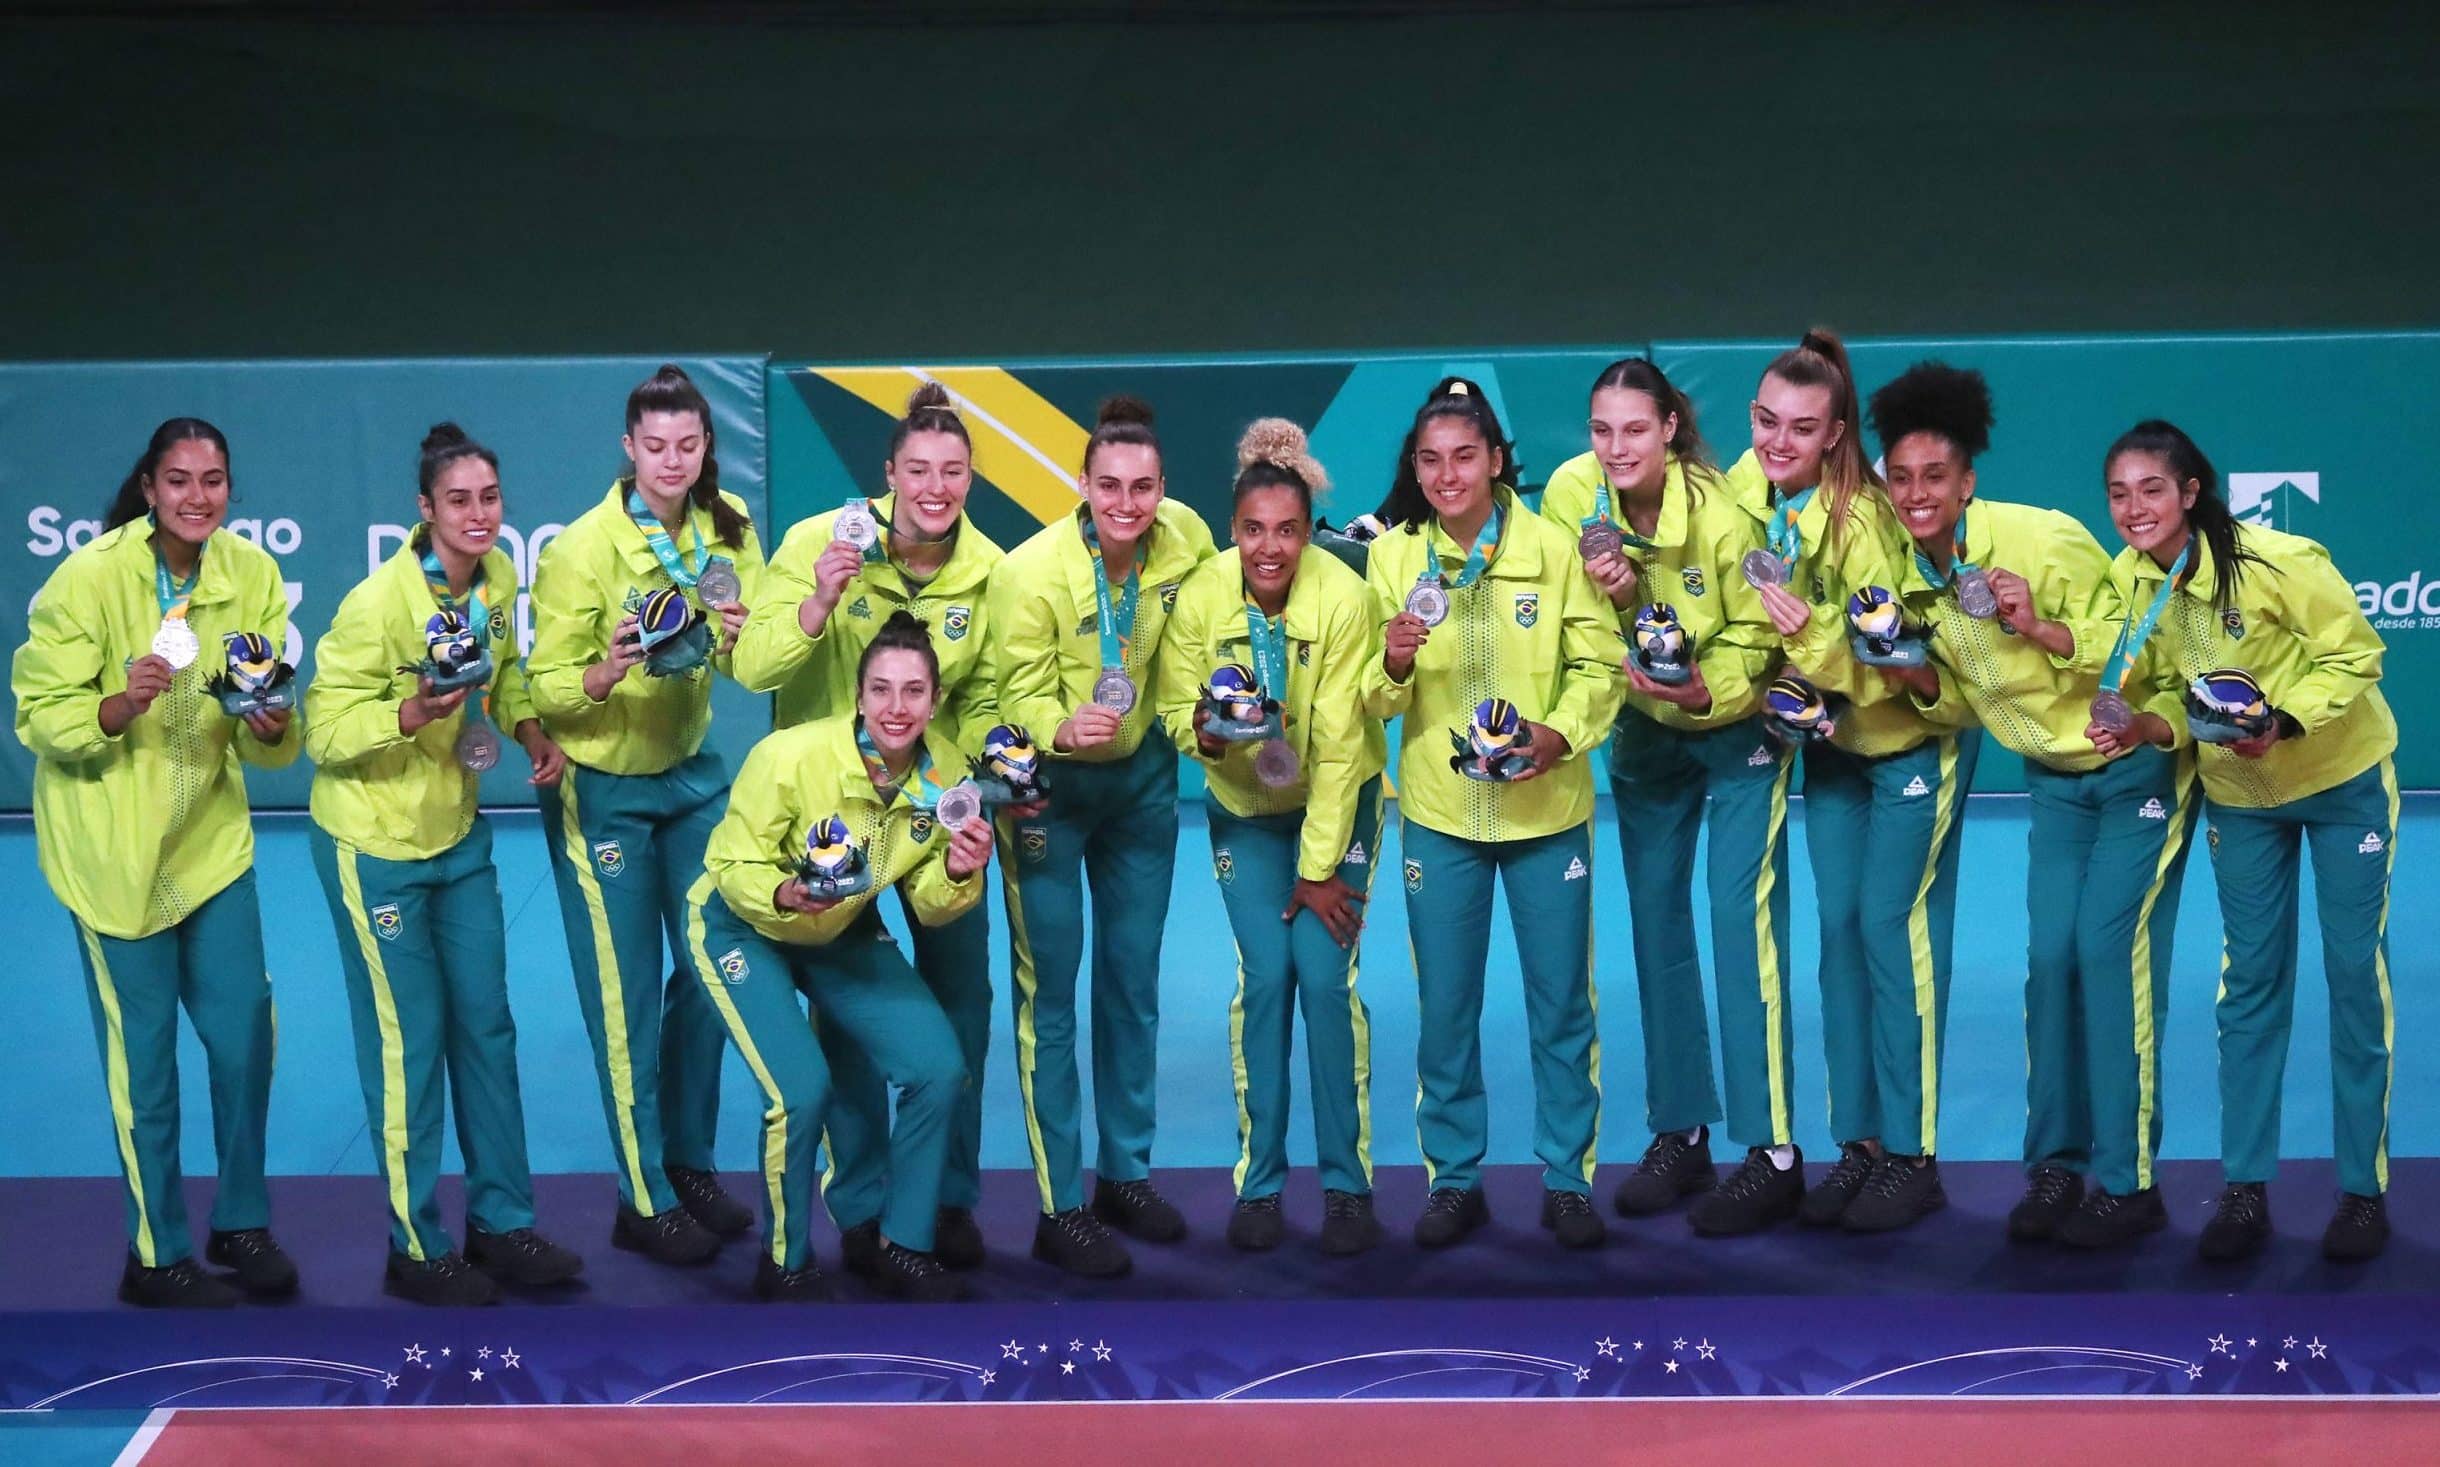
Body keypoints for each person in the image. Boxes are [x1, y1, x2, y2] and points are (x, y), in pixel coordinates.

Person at [1871, 362, 2197, 1249]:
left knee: (2107, 954)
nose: (1916, 494)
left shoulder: (2040, 538)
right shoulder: (1907, 574)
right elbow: (1952, 704)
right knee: (2048, 963)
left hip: (2134, 767)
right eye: (1899, 478)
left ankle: (2129, 1181)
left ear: (1967, 480)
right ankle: (2056, 1165)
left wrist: (2040, 627)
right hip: (2054, 786)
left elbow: (2139, 640)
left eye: (1935, 476)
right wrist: (1913, 675)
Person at [12, 418, 298, 1306]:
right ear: (149, 488)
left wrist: (273, 723)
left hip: (209, 844)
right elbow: (37, 714)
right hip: (112, 857)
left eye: (213, 480)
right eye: (179, 481)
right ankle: (156, 1252)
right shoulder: (87, 579)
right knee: (147, 1065)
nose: (198, 497)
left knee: (246, 1035)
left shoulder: (249, 575)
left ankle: (241, 1219)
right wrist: (113, 704)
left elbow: (274, 720)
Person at [2097, 420, 2398, 1263]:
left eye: (2152, 489)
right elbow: (2162, 690)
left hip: (2341, 783)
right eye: (2119, 494)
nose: (2134, 509)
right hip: (2241, 797)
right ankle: (2244, 1186)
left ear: (2191, 493)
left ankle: (2363, 1191)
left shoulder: (2278, 563)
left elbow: (2356, 654)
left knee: (2354, 978)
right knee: (2250, 982)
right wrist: (2142, 725)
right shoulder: (2131, 578)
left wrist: (2282, 719)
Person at [305, 423, 584, 1305]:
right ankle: (416, 1243)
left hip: (459, 842)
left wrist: (532, 730)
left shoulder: (497, 579)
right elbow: (321, 733)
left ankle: (501, 1223)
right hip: (374, 845)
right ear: (424, 511)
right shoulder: (375, 605)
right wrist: (412, 710)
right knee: (409, 1044)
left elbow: (500, 679)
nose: (478, 515)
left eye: (489, 499)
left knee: (487, 1029)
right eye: (458, 501)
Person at [733, 381, 1004, 1276]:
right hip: (818, 812)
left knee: (959, 1001)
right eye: (917, 470)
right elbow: (751, 663)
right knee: (845, 1022)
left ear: (970, 478)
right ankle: (859, 1202)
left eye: (953, 471)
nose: (935, 486)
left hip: (920, 809)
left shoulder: (987, 571)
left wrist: (947, 791)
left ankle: (943, 1197)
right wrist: (815, 601)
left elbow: (990, 700)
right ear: (887, 474)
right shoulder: (822, 540)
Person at [1535, 359, 1793, 1236]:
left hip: (1731, 727)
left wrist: (1701, 692)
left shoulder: (1724, 518)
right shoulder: (1574, 494)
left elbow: (1759, 636)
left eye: (1635, 430)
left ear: (1671, 429)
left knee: (1735, 919)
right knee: (1654, 922)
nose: (1615, 449)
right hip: (1646, 730)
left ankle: (1772, 1150)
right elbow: (1570, 618)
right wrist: (1618, 616)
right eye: (1602, 430)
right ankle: (1680, 1131)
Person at [1366, 376, 1621, 1251]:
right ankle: (1454, 1177)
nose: (1447, 475)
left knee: (1562, 1006)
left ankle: (1567, 1177)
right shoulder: (1394, 559)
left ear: (1497, 460)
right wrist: (1394, 663)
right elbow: (1373, 696)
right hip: (1441, 817)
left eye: (1464, 456)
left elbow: (1601, 668)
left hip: (1548, 813)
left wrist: (1557, 735)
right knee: (1446, 1006)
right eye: (1430, 460)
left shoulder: (1553, 551)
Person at [1735, 332, 1982, 1232]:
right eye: (1767, 422)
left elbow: (1890, 667)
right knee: (1839, 936)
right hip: (1833, 753)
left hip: (1911, 741)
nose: (1777, 442)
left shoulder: (1868, 523)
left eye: (1802, 428)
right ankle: (1862, 1146)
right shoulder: (1752, 494)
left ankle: (1914, 1154)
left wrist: (1803, 643)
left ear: (1835, 435)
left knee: (1891, 930)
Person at [527, 364, 764, 1265]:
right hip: (607, 792)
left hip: (692, 778)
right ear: (629, 449)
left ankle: (689, 1159)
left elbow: (749, 664)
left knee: (710, 973)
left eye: (689, 445)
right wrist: (602, 671)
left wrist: (750, 634)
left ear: (707, 448)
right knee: (623, 1001)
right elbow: (547, 686)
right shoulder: (581, 549)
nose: (672, 461)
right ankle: (642, 1192)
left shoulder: (727, 525)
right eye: (656, 446)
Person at [687, 612, 994, 1301]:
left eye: (913, 692)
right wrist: (785, 893)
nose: (896, 707)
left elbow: (928, 895)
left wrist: (963, 871)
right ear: (857, 696)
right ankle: (785, 1260)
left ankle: (902, 1242)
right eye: (880, 690)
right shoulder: (790, 756)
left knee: (939, 1068)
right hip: (739, 924)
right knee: (802, 1092)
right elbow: (731, 862)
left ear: (935, 700)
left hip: (839, 929)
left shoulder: (946, 775)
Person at [986, 395, 1216, 1277]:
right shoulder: (1033, 571)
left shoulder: (1186, 538)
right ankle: (1058, 1203)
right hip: (1052, 795)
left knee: (1133, 986)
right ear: (1080, 484)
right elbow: (1016, 693)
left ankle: (1126, 1171)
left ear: (1164, 487)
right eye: (1110, 485)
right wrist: (1055, 729)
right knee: (1050, 997)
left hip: (1145, 790)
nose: (1128, 502)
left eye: (1145, 486)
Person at [1156, 419, 1388, 1255]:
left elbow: (1341, 749)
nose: (1270, 547)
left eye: (1287, 530)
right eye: (1254, 530)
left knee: (1325, 981)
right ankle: (1258, 1184)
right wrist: (1206, 737)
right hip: (1245, 811)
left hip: (1339, 802)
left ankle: (1346, 1187)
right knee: (1266, 979)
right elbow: (1176, 704)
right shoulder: (1203, 595)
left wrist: (1320, 871)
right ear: (1233, 529)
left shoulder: (1345, 596)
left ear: (1306, 531)